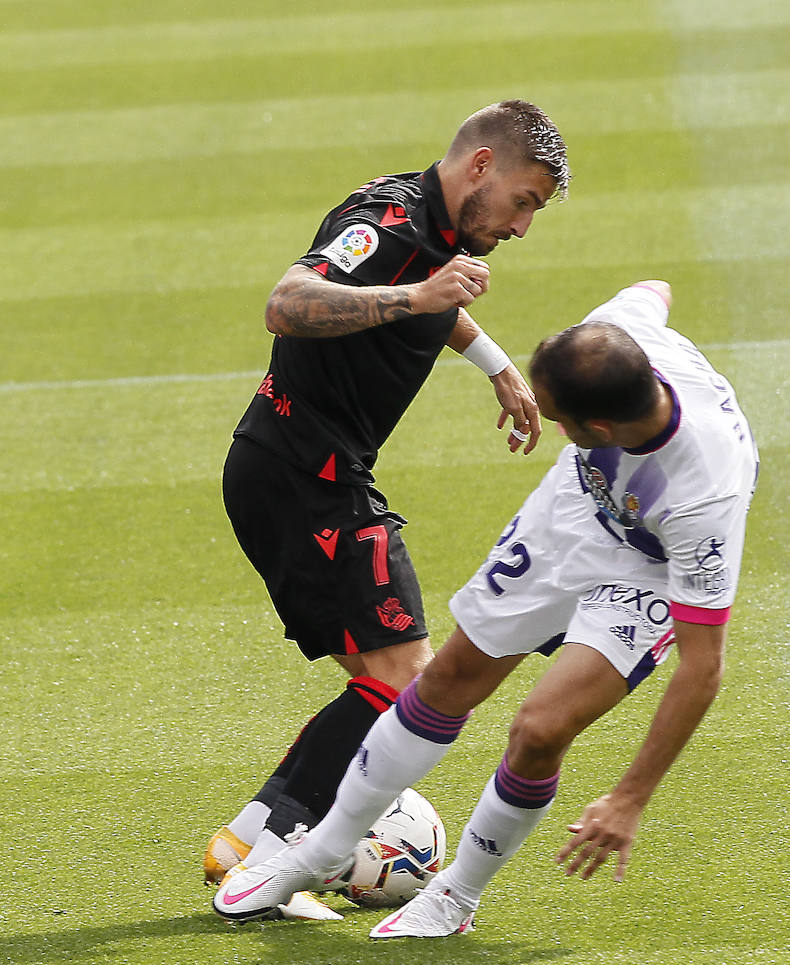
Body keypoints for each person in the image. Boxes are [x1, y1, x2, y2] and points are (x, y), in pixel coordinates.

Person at [212, 279, 759, 936]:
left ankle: (456, 897)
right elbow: (654, 289)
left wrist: (630, 796)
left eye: (560, 419)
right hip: (574, 516)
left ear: (602, 430)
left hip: (651, 564)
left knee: (539, 730)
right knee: (444, 681)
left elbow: (703, 667)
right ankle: (322, 847)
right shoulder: (619, 335)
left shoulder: (703, 499)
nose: (549, 422)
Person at [205, 101, 571, 919]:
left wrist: (494, 364)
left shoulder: (440, 230)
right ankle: (265, 863)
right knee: (411, 681)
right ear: (481, 165)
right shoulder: (390, 222)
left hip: (303, 471)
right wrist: (415, 299)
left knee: (382, 680)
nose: (521, 226)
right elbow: (289, 301)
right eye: (524, 201)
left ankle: (251, 840)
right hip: (306, 477)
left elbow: (432, 291)